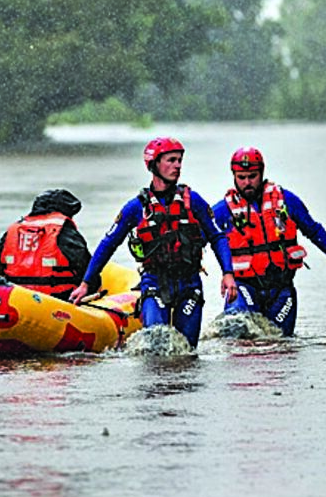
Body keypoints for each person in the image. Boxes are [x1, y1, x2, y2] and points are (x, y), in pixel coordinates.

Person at [68, 137, 238, 349]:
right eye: (171, 160)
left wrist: (228, 273)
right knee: (156, 344)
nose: (177, 166)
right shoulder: (136, 208)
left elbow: (217, 237)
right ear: (154, 164)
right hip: (155, 283)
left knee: (187, 351)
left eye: (179, 160)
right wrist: (86, 283)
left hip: (189, 284)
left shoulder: (193, 201)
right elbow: (109, 244)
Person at [212, 146, 326, 336]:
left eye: (252, 176)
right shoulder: (222, 211)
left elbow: (314, 231)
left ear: (262, 173)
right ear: (234, 176)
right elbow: (199, 240)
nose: (247, 182)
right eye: (242, 177)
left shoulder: (286, 201)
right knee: (237, 329)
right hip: (244, 286)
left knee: (281, 344)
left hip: (281, 289)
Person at [0, 188, 98, 301]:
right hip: (57, 299)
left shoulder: (13, 230)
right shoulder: (62, 230)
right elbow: (87, 268)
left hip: (15, 298)